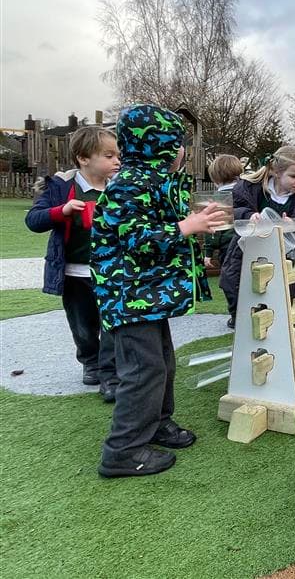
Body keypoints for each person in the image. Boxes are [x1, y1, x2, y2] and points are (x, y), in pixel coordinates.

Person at [91, 104, 225, 477]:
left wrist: (195, 223)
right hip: (128, 296)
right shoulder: (129, 185)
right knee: (143, 370)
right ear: (160, 145)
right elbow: (136, 240)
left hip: (149, 296)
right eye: (177, 142)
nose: (182, 150)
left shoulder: (150, 181)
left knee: (161, 363)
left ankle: (156, 424)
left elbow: (165, 227)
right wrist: (185, 227)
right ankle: (123, 450)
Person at [25, 126, 121, 401]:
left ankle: (110, 374)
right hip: (74, 272)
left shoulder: (120, 189)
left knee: (112, 323)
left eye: (118, 155)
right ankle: (90, 361)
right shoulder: (61, 187)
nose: (117, 161)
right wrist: (62, 211)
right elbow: (34, 220)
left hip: (111, 271)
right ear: (83, 158)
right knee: (82, 324)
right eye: (109, 155)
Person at [219, 145, 295, 327]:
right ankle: (240, 317)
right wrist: (248, 215)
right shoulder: (249, 188)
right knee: (234, 281)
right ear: (275, 171)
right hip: (245, 248)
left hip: (283, 252)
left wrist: (294, 226)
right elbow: (232, 209)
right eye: (294, 176)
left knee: (290, 285)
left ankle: (290, 318)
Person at [203, 153, 242, 272]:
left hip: (228, 247)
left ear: (215, 179)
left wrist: (208, 252)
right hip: (248, 243)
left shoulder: (217, 199)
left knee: (230, 278)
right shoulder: (247, 193)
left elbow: (212, 227)